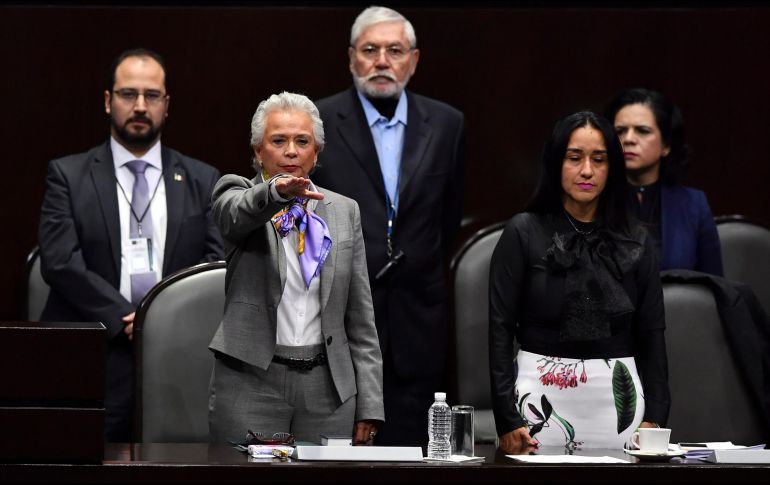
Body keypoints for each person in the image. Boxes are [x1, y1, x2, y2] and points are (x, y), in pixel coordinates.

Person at [38, 48, 225, 441]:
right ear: (108, 101)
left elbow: (216, 264)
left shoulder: (202, 179)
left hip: (177, 359)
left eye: (151, 95)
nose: (140, 106)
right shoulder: (68, 175)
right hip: (93, 354)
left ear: (167, 105)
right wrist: (129, 317)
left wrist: (159, 320)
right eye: (128, 94)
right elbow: (58, 261)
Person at [312, 5, 465, 448]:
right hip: (339, 318)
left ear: (413, 60)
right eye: (370, 50)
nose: (382, 61)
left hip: (418, 320)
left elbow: (448, 218)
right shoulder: (319, 123)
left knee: (411, 456)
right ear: (351, 58)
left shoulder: (447, 124)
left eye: (394, 50)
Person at [207, 92, 383, 445]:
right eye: (278, 141)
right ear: (258, 151)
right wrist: (275, 194)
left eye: (302, 141)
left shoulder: (344, 211)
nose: (291, 151)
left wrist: (370, 403)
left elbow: (360, 318)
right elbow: (235, 215)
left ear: (316, 152)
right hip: (252, 381)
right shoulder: (239, 194)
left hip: (328, 388)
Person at [489, 111, 670, 453]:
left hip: (620, 410)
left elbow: (653, 336)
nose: (587, 171)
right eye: (574, 158)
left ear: (612, 168)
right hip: (534, 410)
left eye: (599, 160)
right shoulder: (523, 232)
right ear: (556, 163)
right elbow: (499, 330)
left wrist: (656, 417)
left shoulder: (636, 241)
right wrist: (506, 419)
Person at [605, 88, 723, 276]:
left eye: (642, 131)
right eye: (620, 131)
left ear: (666, 145)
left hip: (678, 306)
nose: (628, 139)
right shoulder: (593, 199)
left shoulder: (694, 204)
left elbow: (714, 286)